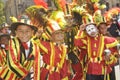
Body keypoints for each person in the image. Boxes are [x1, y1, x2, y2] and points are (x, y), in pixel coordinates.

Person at [0, 15, 40, 80]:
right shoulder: (12, 42)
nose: (24, 33)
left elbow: (37, 67)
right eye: (20, 31)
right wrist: (26, 75)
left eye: (27, 31)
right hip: (8, 77)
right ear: (16, 32)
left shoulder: (35, 46)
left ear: (32, 32)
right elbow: (12, 64)